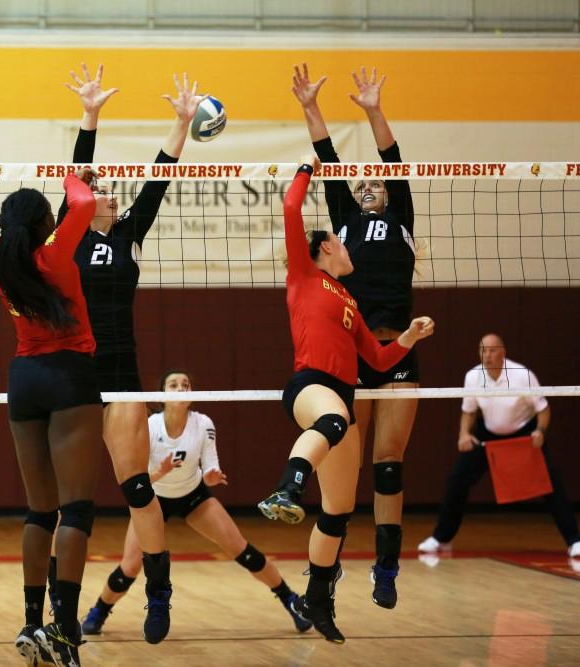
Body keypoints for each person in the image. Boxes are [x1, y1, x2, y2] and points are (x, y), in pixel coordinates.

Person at [49, 63, 204, 645]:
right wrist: (90, 114)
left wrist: (181, 123)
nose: (108, 194)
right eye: (100, 190)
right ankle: (59, 611)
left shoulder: (130, 233)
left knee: (136, 485)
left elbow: (159, 179)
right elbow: (77, 175)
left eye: (112, 190)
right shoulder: (71, 231)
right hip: (75, 369)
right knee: (71, 499)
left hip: (122, 371)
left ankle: (158, 592)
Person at [0, 133, 101, 667]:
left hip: (24, 379)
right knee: (76, 509)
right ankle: (67, 631)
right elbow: (84, 203)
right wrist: (71, 175)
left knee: (40, 510)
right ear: (44, 224)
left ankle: (32, 623)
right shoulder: (55, 251)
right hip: (71, 376)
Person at [257, 156, 434, 643]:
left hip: (343, 390)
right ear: (325, 248)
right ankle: (287, 487)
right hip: (310, 386)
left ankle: (318, 596)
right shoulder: (303, 274)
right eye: (337, 238)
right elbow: (293, 208)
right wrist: (305, 169)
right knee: (335, 422)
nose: (345, 239)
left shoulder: (350, 303)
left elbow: (377, 361)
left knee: (337, 512)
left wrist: (410, 339)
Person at [291, 62, 419, 610]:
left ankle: (386, 566)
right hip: (355, 355)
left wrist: (372, 110)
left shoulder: (404, 215)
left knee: (389, 466)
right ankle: (331, 561)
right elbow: (327, 157)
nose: (368, 184)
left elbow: (392, 158)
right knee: (347, 464)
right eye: (361, 181)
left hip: (398, 352)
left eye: (376, 181)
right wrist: (310, 108)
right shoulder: (342, 220)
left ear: (389, 193)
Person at [79, 370, 313, 637]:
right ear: (161, 394)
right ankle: (98, 611)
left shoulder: (203, 423)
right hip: (153, 499)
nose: (181, 388)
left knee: (241, 549)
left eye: (186, 385)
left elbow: (211, 468)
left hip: (193, 495)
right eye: (174, 384)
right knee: (131, 565)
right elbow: (138, 480)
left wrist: (212, 476)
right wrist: (162, 472)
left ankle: (290, 600)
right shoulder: (150, 424)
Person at [418, 333, 580, 558]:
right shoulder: (473, 377)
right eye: (483, 350)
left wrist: (540, 431)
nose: (487, 355)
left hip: (524, 434)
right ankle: (440, 538)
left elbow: (543, 409)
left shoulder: (522, 375)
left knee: (551, 481)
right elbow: (469, 411)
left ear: (503, 352)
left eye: (492, 350)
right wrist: (464, 434)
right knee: (457, 479)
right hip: (488, 434)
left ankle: (574, 540)